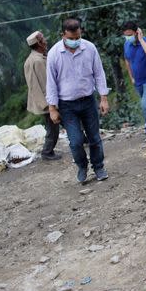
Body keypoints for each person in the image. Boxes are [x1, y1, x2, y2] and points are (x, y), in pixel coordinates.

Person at [46, 17, 110, 184]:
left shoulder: (89, 48)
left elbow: (99, 73)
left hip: (88, 100)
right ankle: (82, 166)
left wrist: (103, 98)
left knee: (94, 137)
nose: (75, 41)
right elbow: (51, 83)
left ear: (80, 32)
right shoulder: (54, 54)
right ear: (63, 35)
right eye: (71, 39)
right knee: (75, 141)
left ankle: (99, 167)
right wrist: (52, 108)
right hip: (67, 105)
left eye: (77, 38)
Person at [24, 30, 61, 161]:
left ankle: (81, 139)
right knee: (53, 126)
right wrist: (49, 104)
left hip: (48, 100)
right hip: (47, 100)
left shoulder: (37, 58)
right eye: (43, 39)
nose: (45, 41)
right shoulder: (37, 61)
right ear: (39, 43)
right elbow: (41, 84)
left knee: (57, 124)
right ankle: (47, 151)